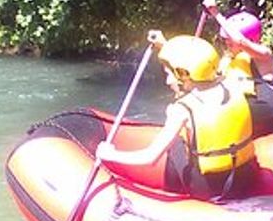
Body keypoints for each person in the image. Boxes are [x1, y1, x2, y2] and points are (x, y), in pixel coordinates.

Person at [95, 33, 258, 200]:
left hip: (211, 187)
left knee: (178, 144)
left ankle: (174, 190)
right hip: (246, 176)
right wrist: (162, 44)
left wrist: (110, 154)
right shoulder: (232, 83)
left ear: (183, 73)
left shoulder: (182, 110)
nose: (167, 80)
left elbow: (149, 158)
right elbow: (195, 64)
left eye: (169, 73)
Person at [201, 0, 273, 137]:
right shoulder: (228, 60)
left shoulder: (264, 55)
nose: (227, 44)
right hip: (239, 108)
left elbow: (239, 41)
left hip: (265, 112)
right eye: (225, 41)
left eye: (229, 41)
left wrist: (216, 13)